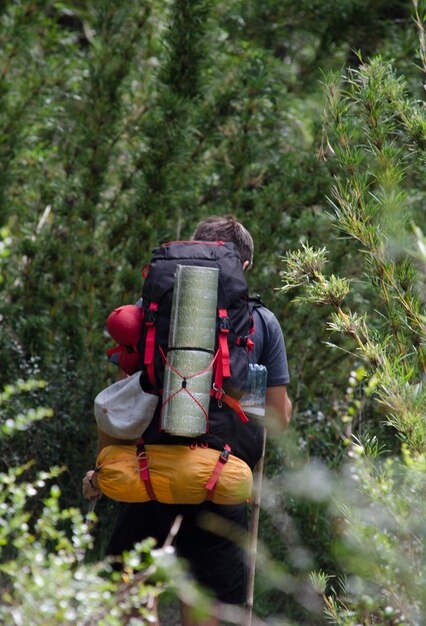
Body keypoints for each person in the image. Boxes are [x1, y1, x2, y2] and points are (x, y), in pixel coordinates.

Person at [83, 215, 292, 625]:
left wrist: (100, 471)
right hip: (219, 482)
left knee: (128, 598)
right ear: (242, 266)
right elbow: (278, 418)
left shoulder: (149, 311)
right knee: (209, 608)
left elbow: (119, 405)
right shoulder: (262, 322)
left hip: (147, 479)